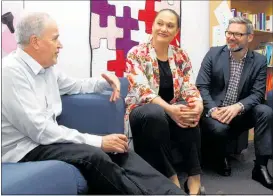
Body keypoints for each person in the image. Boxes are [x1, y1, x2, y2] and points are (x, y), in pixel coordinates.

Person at [1, 12, 186, 195]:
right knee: (95, 155)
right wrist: (99, 142)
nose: (60, 45)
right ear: (35, 42)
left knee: (119, 149)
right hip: (24, 149)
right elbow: (40, 131)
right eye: (55, 39)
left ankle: (172, 193)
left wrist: (104, 81)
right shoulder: (11, 72)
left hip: (45, 141)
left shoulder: (46, 68)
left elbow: (75, 86)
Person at [125, 9, 205, 195]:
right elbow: (142, 91)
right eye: (160, 23)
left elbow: (189, 87)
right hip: (142, 112)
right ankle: (172, 180)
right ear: (152, 26)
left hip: (170, 110)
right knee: (156, 112)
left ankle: (194, 180)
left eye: (170, 26)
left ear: (176, 31)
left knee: (189, 111)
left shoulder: (180, 55)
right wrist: (170, 109)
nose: (164, 29)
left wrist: (198, 105)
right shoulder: (136, 53)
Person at [196, 17, 273, 190]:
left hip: (240, 111)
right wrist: (213, 109)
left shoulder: (259, 61)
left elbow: (257, 93)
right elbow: (201, 86)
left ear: (249, 37)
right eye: (229, 33)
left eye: (237, 34)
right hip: (215, 111)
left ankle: (260, 167)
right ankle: (219, 155)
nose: (231, 37)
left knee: (266, 112)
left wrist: (238, 107)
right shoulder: (213, 53)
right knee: (219, 128)